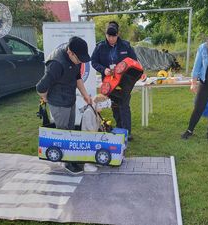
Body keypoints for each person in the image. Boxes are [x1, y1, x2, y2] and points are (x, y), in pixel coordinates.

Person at [36, 36, 92, 174]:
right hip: (59, 102)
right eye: (79, 59)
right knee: (63, 132)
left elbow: (77, 76)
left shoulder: (75, 57)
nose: (80, 62)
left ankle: (71, 156)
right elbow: (41, 87)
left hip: (70, 98)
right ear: (70, 52)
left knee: (71, 129)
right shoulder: (56, 64)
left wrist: (85, 95)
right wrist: (46, 98)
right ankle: (67, 163)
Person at [91, 21, 137, 141]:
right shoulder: (100, 47)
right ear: (105, 34)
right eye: (109, 36)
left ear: (118, 34)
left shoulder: (126, 46)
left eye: (114, 36)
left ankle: (127, 132)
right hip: (109, 83)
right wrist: (103, 69)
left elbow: (134, 61)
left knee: (125, 106)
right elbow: (94, 62)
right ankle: (120, 127)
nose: (111, 39)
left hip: (124, 82)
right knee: (115, 106)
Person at [81, 94, 112, 172]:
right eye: (101, 107)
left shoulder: (94, 111)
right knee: (90, 150)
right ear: (98, 104)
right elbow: (89, 127)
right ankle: (87, 165)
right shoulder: (88, 112)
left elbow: (97, 124)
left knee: (97, 148)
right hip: (88, 137)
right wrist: (96, 134)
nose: (102, 109)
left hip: (93, 136)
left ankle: (94, 161)